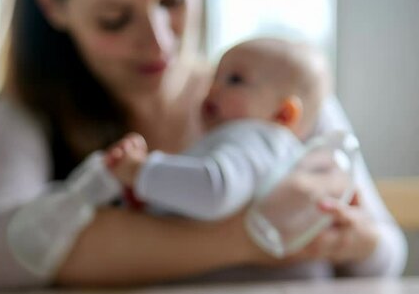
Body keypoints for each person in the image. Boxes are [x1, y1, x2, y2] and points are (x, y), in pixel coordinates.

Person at [0, 0, 407, 290]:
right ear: (55, 7)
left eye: (172, 1)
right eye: (115, 19)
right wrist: (253, 237)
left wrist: (352, 242)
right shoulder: (18, 117)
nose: (159, 40)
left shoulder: (277, 89)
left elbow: (385, 255)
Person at [103, 38, 333, 222]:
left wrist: (140, 171)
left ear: (283, 114)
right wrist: (144, 198)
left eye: (234, 80)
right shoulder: (253, 148)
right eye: (215, 78)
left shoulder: (257, 138)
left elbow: (214, 192)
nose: (213, 89)